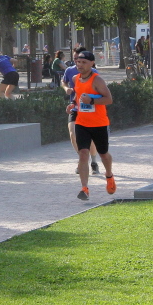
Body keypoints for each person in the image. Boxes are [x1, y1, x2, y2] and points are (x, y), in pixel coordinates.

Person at [66, 51, 117, 200]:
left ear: (92, 63)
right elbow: (78, 95)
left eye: (84, 62)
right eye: (78, 62)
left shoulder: (97, 80)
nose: (80, 65)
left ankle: (109, 175)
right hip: (82, 122)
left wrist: (92, 101)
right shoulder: (75, 78)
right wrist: (73, 104)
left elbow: (109, 99)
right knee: (83, 153)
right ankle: (84, 189)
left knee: (103, 154)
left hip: (99, 123)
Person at [62, 46, 99, 175]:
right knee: (73, 134)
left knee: (90, 138)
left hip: (89, 109)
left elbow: (101, 92)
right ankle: (82, 160)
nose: (78, 62)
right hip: (75, 107)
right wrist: (66, 89)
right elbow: (63, 82)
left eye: (80, 59)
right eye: (75, 59)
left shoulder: (94, 73)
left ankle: (94, 161)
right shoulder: (70, 71)